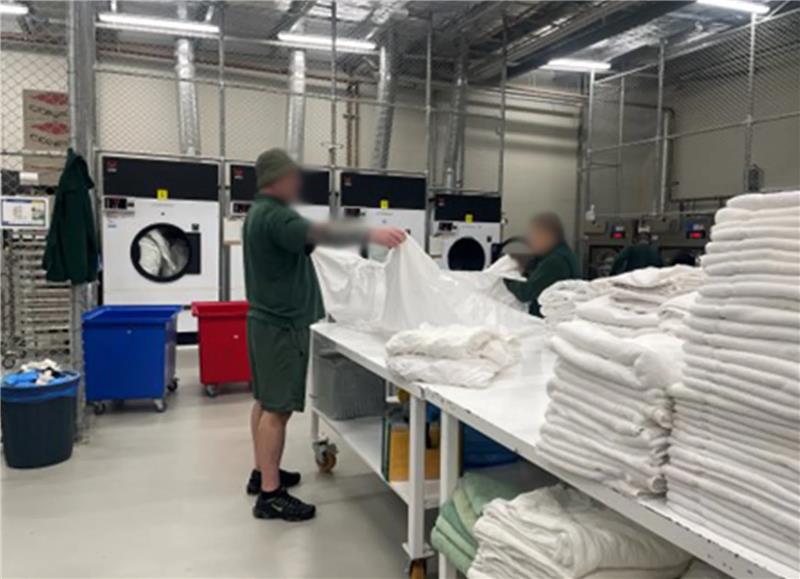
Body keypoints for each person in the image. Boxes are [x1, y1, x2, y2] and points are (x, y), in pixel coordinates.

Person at [243, 148, 406, 522]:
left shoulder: (257, 212)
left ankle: (261, 472)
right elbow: (322, 233)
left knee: (264, 401)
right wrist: (373, 231)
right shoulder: (277, 216)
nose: (297, 183)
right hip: (282, 325)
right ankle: (271, 495)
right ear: (278, 179)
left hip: (263, 320)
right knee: (278, 410)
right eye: (293, 176)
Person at [504, 212, 580, 317]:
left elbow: (526, 293)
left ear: (548, 235)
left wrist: (505, 279)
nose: (532, 241)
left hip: (547, 322)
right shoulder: (563, 253)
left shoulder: (556, 262)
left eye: (535, 235)